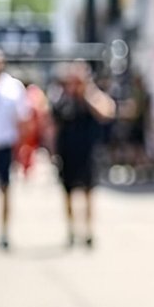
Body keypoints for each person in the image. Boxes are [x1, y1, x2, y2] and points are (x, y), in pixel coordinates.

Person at [48, 62, 115, 248]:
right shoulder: (61, 99)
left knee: (88, 193)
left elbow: (107, 111)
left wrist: (88, 92)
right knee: (68, 192)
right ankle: (71, 230)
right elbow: (53, 127)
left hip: (88, 152)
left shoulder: (92, 97)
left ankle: (88, 231)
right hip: (67, 152)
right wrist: (52, 151)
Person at [0, 49, 32, 250]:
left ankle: (4, 231)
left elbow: (23, 119)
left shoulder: (13, 87)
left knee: (6, 189)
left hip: (4, 144)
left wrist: (23, 148)